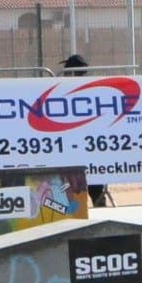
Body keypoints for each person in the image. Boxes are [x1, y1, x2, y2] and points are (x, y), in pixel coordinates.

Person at [61, 54, 110, 208]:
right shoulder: (61, 87)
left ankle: (98, 200)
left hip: (89, 142)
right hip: (70, 143)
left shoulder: (91, 87)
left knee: (94, 174)